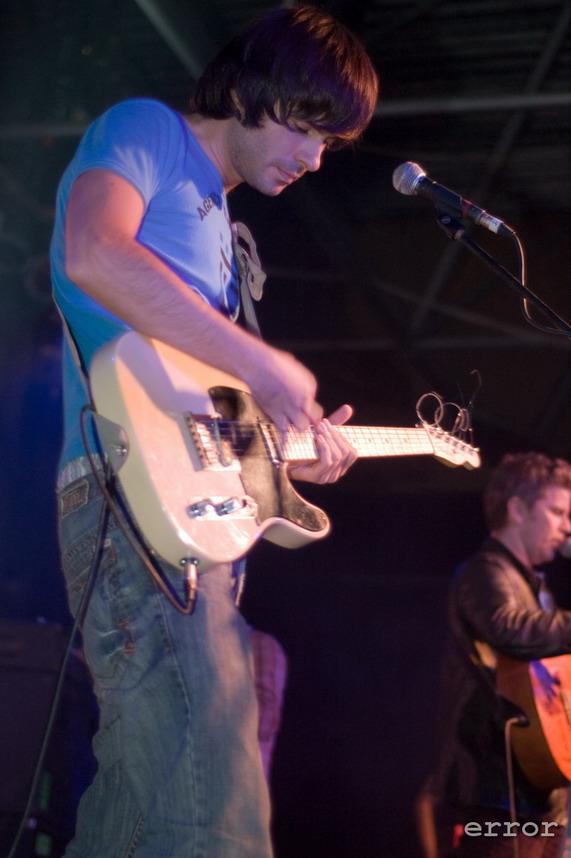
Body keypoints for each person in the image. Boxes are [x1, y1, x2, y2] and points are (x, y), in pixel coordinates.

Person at [49, 5, 378, 858]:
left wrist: (280, 457)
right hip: (129, 501)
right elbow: (92, 253)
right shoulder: (146, 130)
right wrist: (260, 365)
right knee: (212, 818)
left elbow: (190, 404)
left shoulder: (222, 237)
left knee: (140, 813)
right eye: (307, 125)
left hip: (176, 511)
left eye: (328, 144)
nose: (314, 158)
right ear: (249, 88)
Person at [424, 452, 571, 858]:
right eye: (558, 512)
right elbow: (507, 628)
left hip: (533, 783)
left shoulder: (534, 585)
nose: (567, 527)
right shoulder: (484, 570)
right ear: (518, 509)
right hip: (496, 787)